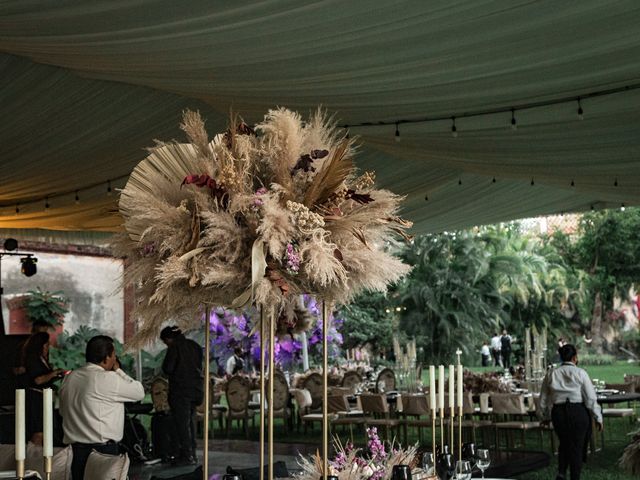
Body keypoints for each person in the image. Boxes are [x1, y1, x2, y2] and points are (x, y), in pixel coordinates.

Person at [59, 335, 144, 480]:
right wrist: (118, 371)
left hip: (74, 452)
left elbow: (62, 411)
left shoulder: (70, 378)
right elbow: (139, 392)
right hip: (102, 451)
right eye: (114, 356)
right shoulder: (108, 379)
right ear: (106, 358)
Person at [539, 344, 603, 480]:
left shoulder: (551, 373)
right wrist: (598, 417)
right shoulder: (581, 373)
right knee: (577, 446)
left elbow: (543, 399)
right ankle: (575, 477)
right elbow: (590, 398)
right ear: (575, 358)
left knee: (565, 441)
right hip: (577, 411)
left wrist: (545, 416)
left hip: (559, 413)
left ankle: (561, 472)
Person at [160, 326, 204, 465]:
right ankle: (192, 453)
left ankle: (186, 455)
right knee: (190, 422)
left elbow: (168, 368)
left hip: (180, 391)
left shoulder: (174, 347)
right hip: (196, 390)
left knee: (182, 424)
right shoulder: (195, 346)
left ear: (168, 339)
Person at [22, 332, 64, 444]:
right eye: (46, 345)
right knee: (39, 431)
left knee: (45, 430)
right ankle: (33, 455)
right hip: (37, 399)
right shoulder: (33, 359)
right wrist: (53, 374)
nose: (48, 347)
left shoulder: (42, 359)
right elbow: (38, 380)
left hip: (44, 398)